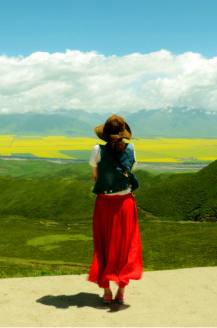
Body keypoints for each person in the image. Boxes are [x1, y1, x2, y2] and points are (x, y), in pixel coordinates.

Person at [87, 115, 143, 304]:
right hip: (126, 204)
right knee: (125, 248)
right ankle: (121, 291)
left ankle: (106, 293)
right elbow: (131, 169)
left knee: (104, 246)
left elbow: (95, 177)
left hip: (105, 204)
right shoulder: (131, 149)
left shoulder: (97, 150)